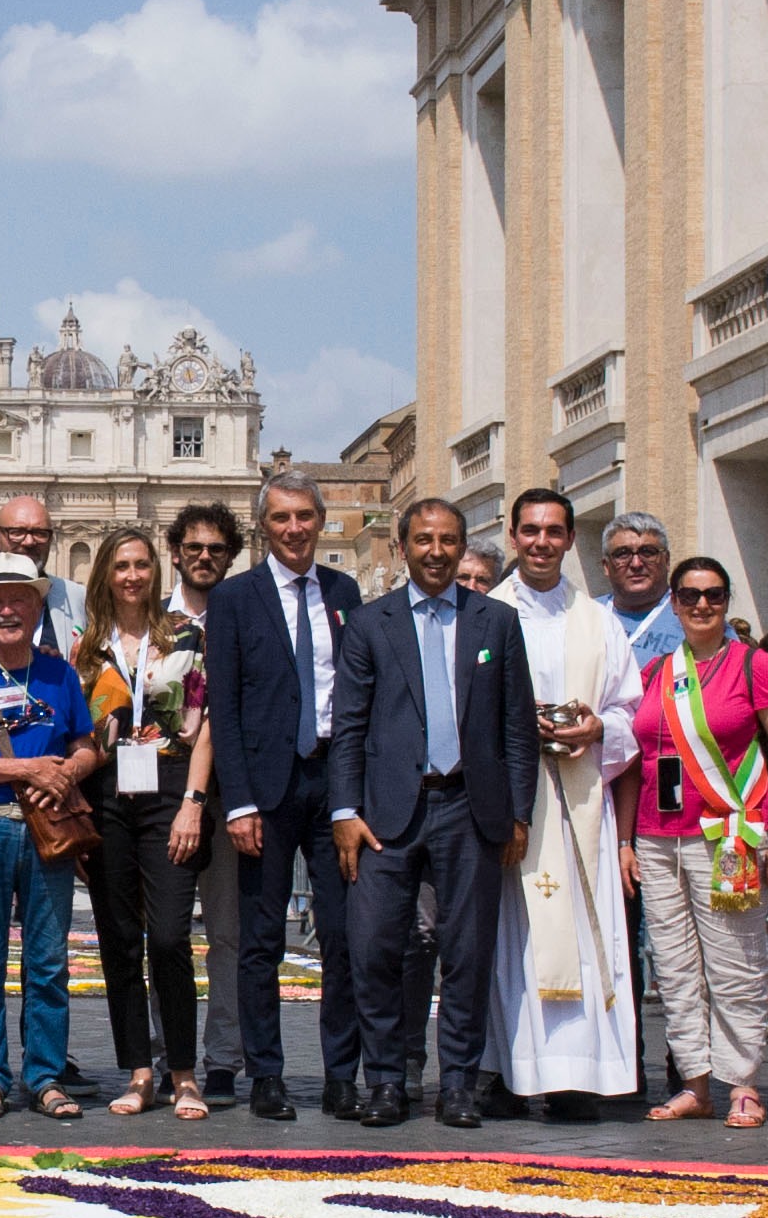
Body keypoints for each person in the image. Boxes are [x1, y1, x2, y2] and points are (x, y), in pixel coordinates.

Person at [332, 498, 536, 1127]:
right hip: (386, 815)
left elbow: (516, 729)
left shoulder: (495, 622)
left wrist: (518, 813)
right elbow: (349, 726)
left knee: (468, 955)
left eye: (448, 540)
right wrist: (344, 808)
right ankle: (388, 1081)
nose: (437, 551)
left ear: (461, 545)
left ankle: (458, 1085)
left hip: (470, 810)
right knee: (376, 952)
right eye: (424, 540)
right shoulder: (371, 624)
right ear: (403, 547)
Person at [623, 552, 768, 1126]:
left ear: (727, 602)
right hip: (657, 837)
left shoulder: (754, 667)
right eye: (691, 595)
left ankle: (742, 1082)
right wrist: (627, 839)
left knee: (735, 963)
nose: (702, 605)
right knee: (674, 968)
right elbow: (634, 761)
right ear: (673, 602)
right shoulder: (654, 673)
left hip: (728, 836)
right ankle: (695, 1080)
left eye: (715, 595)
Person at [204, 467, 364, 1120]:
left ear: (319, 521)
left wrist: (355, 796)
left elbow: (357, 695)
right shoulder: (234, 598)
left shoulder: (344, 591)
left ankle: (341, 1074)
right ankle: (264, 1073)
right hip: (265, 789)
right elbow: (226, 704)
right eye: (280, 518)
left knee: (341, 935)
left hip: (332, 785)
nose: (294, 528)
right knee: (261, 940)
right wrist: (237, 801)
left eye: (304, 516)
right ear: (262, 527)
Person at [486, 488, 643, 1112]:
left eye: (554, 531)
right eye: (530, 531)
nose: (541, 542)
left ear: (570, 540)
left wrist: (597, 729)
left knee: (581, 930)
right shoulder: (487, 613)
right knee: (510, 935)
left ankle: (578, 1076)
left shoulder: (598, 621)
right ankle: (508, 1072)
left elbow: (631, 710)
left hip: (579, 803)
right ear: (513, 535)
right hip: (514, 805)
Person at [0, 553, 100, 1120]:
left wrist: (67, 774)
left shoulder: (58, 674)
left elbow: (87, 746)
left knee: (48, 960)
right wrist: (28, 771)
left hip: (45, 830)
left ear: (36, 607)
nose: (7, 610)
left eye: (19, 599)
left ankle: (46, 1075)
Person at [75, 528, 212, 1117]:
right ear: (105, 574)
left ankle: (183, 1071)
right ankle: (138, 1071)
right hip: (108, 796)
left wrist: (194, 802)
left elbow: (205, 724)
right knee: (121, 941)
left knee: (170, 937)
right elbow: (79, 733)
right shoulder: (88, 647)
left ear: (156, 572)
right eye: (122, 566)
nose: (133, 576)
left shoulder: (187, 636)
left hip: (169, 791)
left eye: (142, 565)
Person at [166, 500, 249, 1102]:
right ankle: (165, 1054)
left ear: (230, 557)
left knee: (228, 933)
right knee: (163, 935)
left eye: (216, 550)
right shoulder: (149, 620)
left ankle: (223, 1057)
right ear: (176, 552)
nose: (203, 557)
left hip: (231, 794)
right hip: (164, 795)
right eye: (193, 547)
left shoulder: (246, 616)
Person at [599, 511, 683, 670]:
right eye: (622, 554)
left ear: (666, 560)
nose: (636, 564)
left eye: (648, 552)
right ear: (606, 566)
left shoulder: (695, 615)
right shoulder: (585, 614)